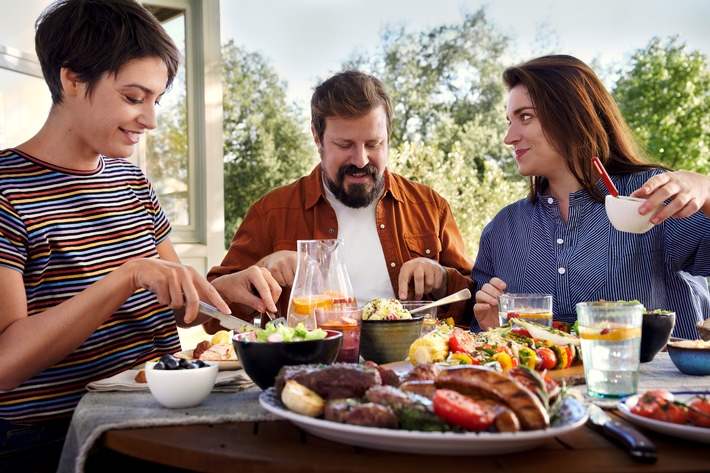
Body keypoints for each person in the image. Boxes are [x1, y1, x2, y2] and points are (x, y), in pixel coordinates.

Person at [0, 1, 279, 471]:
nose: (149, 120)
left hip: (157, 413)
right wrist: (124, 277)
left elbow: (172, 297)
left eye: (156, 100)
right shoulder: (7, 189)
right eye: (134, 98)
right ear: (72, 79)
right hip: (52, 436)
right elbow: (6, 362)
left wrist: (222, 292)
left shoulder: (131, 182)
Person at [208, 70, 474, 328]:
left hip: (412, 367)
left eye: (374, 144)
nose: (360, 160)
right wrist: (260, 269)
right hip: (307, 369)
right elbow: (210, 315)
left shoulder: (430, 206)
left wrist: (441, 279)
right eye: (345, 145)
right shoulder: (271, 212)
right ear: (317, 137)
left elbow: (475, 306)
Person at [471, 54, 710, 339]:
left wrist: (705, 188)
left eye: (525, 117)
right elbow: (487, 343)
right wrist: (492, 330)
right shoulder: (502, 230)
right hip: (549, 385)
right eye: (509, 121)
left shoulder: (652, 195)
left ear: (573, 114)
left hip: (662, 384)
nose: (509, 137)